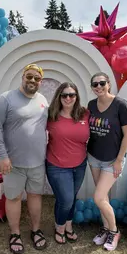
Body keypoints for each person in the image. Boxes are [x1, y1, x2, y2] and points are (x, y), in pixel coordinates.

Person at [0, 64, 48, 254]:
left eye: (36, 79)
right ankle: (15, 234)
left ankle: (36, 230)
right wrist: (3, 156)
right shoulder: (6, 99)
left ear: (41, 82)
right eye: (29, 77)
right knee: (13, 198)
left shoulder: (43, 99)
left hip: (38, 162)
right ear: (22, 77)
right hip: (12, 163)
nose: (32, 81)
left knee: (35, 195)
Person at [87, 72, 127, 251]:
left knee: (98, 197)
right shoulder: (91, 105)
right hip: (94, 157)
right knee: (102, 197)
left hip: (113, 160)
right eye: (95, 84)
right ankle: (105, 229)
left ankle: (114, 231)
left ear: (108, 84)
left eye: (101, 83)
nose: (98, 87)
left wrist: (119, 160)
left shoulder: (120, 104)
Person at [46, 82, 90, 244]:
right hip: (56, 165)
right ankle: (59, 227)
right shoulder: (50, 115)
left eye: (72, 94)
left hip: (79, 164)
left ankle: (68, 226)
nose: (68, 98)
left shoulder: (85, 114)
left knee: (71, 198)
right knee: (66, 200)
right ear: (59, 97)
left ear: (76, 97)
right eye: (64, 95)